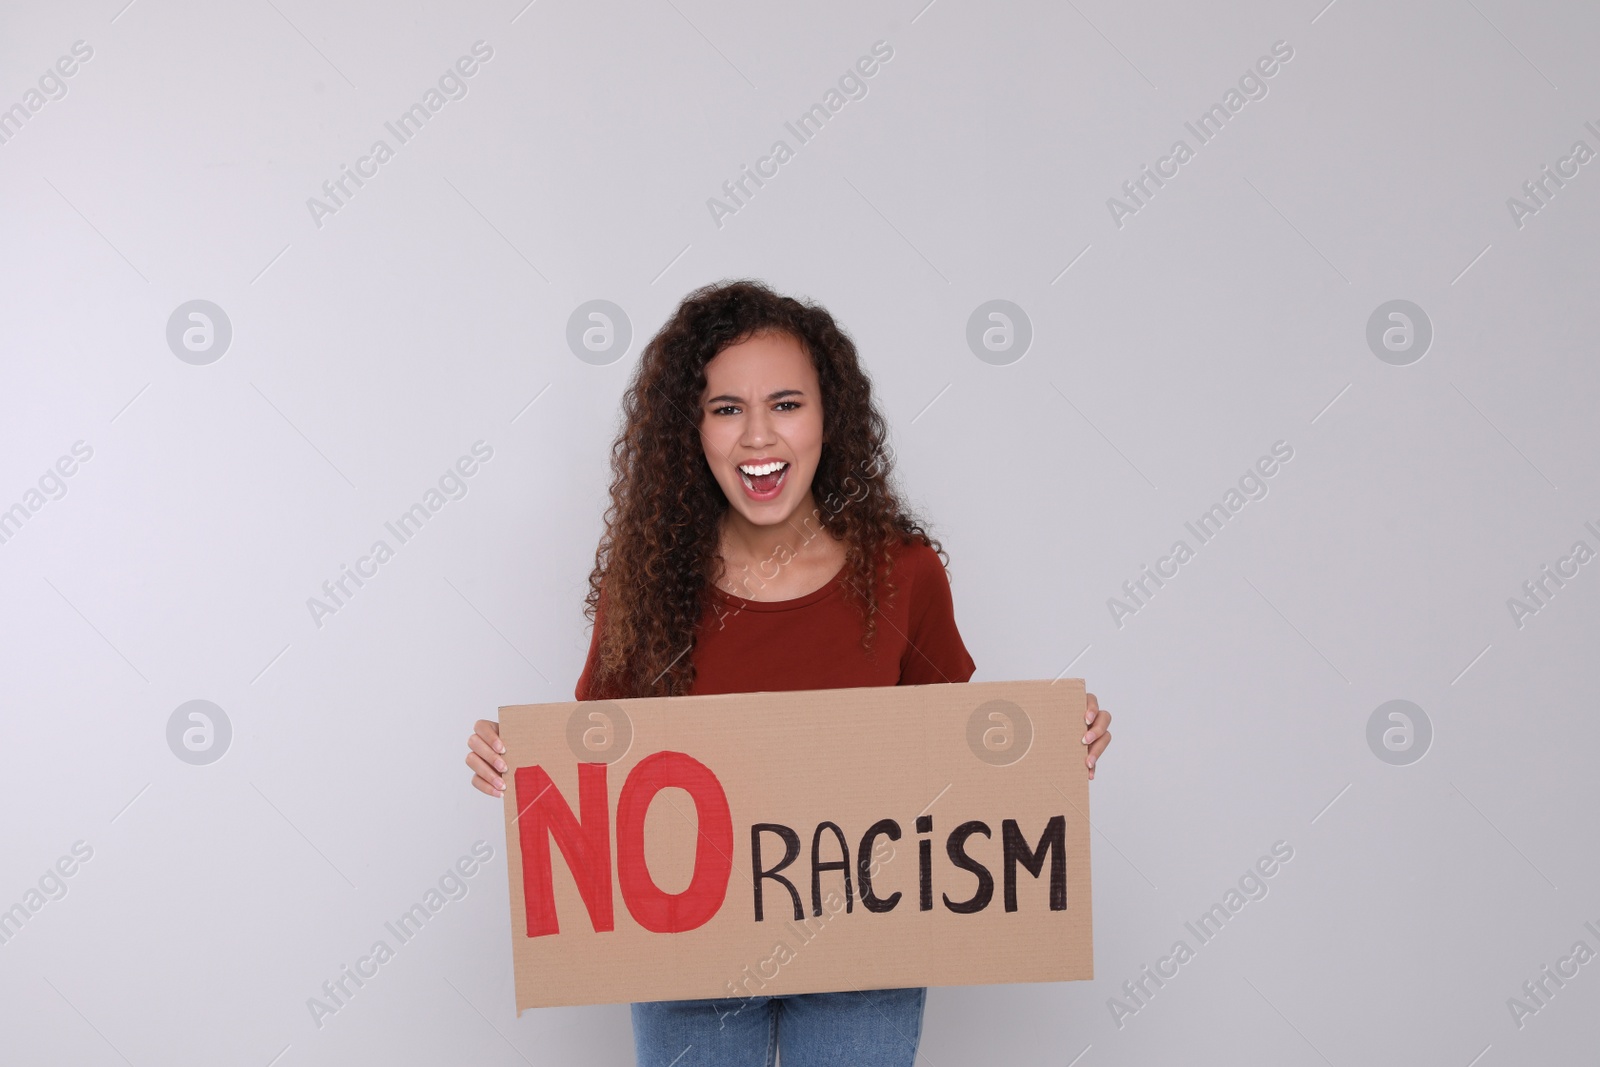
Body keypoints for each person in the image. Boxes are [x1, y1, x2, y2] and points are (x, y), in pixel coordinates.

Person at [465, 279, 1113, 1066]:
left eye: (786, 403)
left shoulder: (902, 574)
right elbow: (596, 753)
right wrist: (516, 755)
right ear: (690, 431)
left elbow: (951, 756)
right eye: (726, 408)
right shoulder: (644, 588)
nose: (757, 436)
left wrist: (1042, 752)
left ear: (827, 418)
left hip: (866, 946)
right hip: (687, 950)